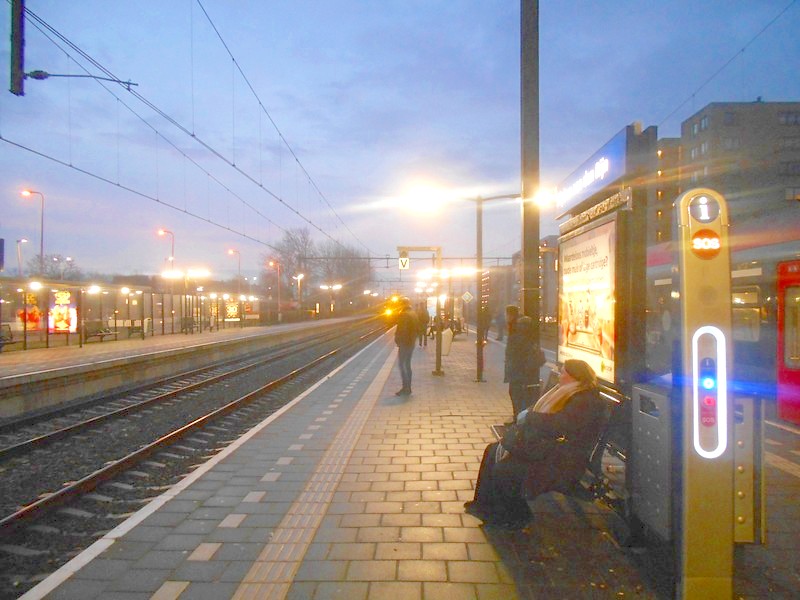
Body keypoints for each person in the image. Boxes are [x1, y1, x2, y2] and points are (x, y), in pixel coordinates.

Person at [464, 359, 606, 529]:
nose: (560, 376)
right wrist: (529, 416)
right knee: (492, 450)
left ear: (574, 376)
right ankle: (484, 505)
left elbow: (560, 424)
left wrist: (529, 417)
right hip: (548, 447)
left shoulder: (586, 400)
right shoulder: (568, 392)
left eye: (563, 373)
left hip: (562, 458)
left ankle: (518, 515)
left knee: (505, 470)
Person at [504, 315, 545, 418]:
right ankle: (520, 417)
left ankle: (517, 417)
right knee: (524, 398)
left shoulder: (514, 338)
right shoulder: (532, 340)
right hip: (527, 375)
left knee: (516, 396)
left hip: (516, 374)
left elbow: (509, 355)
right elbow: (540, 359)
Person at [394, 296, 419, 396]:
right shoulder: (413, 313)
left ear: (402, 304)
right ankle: (408, 387)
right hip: (411, 342)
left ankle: (406, 388)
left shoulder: (404, 314)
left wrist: (398, 340)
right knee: (407, 365)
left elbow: (403, 330)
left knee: (402, 364)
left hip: (405, 343)